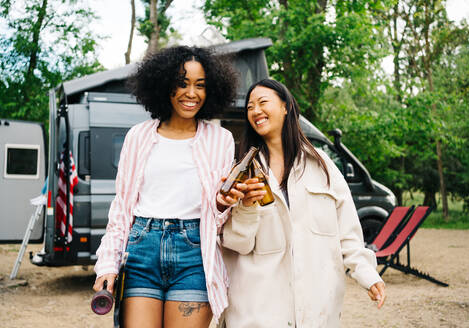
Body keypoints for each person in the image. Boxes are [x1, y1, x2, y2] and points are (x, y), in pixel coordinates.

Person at [216, 79, 386, 327]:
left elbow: (347, 232)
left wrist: (368, 275)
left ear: (286, 107)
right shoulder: (244, 170)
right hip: (258, 308)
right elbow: (237, 244)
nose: (255, 111)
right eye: (250, 107)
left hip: (316, 306)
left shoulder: (322, 166)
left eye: (263, 102)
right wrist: (246, 208)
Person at [92, 46, 238, 328]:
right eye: (182, 83)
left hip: (194, 254)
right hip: (141, 250)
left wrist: (224, 203)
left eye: (200, 86)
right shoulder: (138, 136)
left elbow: (220, 216)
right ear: (164, 85)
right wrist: (108, 264)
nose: (191, 93)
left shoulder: (221, 140)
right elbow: (122, 207)